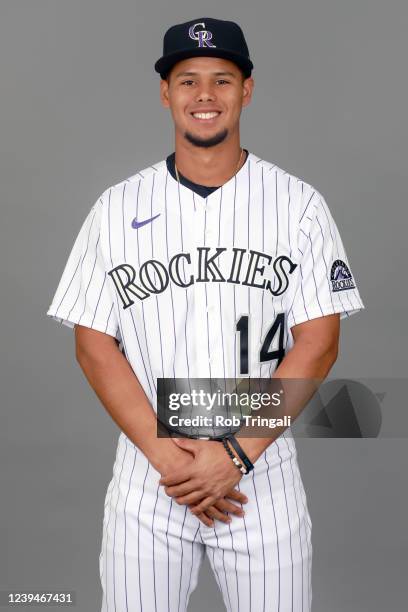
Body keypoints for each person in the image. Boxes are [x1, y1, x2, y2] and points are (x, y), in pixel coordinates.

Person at [46, 16, 365, 612]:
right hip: (151, 473)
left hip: (261, 472)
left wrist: (235, 454)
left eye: (222, 80)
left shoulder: (298, 205)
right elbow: (93, 343)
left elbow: (319, 342)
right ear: (165, 92)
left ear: (247, 90)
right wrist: (172, 460)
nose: (205, 96)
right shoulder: (116, 207)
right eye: (188, 80)